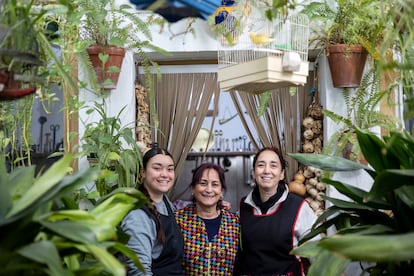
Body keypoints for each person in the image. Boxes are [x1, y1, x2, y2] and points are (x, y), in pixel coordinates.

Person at [235, 147, 318, 276]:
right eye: (261, 165)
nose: (267, 170)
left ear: (281, 174)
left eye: (273, 166)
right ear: (254, 173)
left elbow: (318, 251)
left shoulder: (298, 207)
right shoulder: (243, 207)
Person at [120, 144, 184, 275]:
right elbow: (139, 271)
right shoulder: (137, 215)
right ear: (143, 172)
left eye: (170, 169)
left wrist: (213, 205)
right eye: (157, 168)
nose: (165, 174)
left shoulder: (165, 201)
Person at [175, 162, 240, 275]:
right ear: (193, 189)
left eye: (215, 184)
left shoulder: (234, 223)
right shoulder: (178, 220)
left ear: (221, 192)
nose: (209, 190)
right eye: (203, 183)